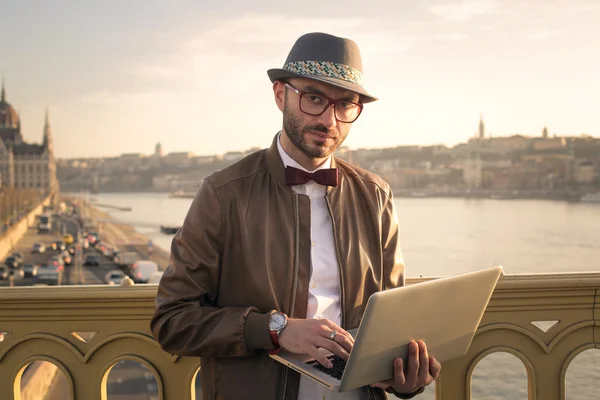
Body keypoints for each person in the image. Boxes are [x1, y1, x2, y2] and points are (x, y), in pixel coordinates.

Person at [151, 32, 441, 400]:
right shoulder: (223, 194)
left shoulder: (376, 196)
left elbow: (393, 324)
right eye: (314, 98)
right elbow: (172, 321)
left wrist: (407, 376)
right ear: (279, 95)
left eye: (345, 105)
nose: (329, 119)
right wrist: (275, 329)